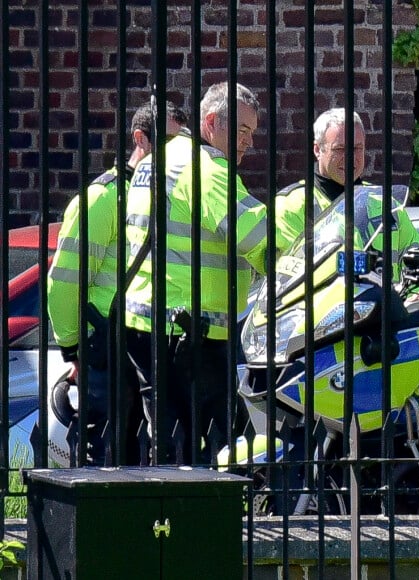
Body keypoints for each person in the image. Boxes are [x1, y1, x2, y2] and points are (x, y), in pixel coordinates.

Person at [124, 82, 268, 464]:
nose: (248, 144)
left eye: (252, 133)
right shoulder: (206, 167)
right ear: (210, 122)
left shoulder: (161, 159)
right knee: (209, 448)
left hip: (147, 325)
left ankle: (163, 519)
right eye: (241, 131)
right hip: (190, 332)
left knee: (167, 442)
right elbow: (256, 236)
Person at [47, 101, 188, 464]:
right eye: (167, 144)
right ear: (139, 139)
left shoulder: (173, 201)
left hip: (149, 348)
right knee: (109, 459)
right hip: (105, 350)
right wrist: (72, 350)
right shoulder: (104, 199)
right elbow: (63, 283)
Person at [275, 107, 419, 279]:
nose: (350, 157)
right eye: (339, 149)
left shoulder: (386, 203)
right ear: (317, 150)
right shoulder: (291, 204)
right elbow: (291, 280)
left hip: (386, 305)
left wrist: (416, 294)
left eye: (357, 148)